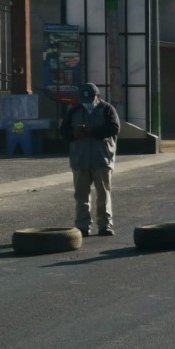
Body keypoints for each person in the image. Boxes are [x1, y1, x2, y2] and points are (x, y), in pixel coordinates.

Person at [59, 83, 120, 237]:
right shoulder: (74, 111)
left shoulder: (107, 109)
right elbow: (63, 132)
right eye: (84, 99)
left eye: (90, 98)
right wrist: (74, 135)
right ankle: (82, 225)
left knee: (103, 194)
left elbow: (114, 128)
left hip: (102, 159)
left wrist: (93, 132)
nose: (87, 102)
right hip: (80, 159)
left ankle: (105, 225)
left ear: (98, 96)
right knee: (81, 195)